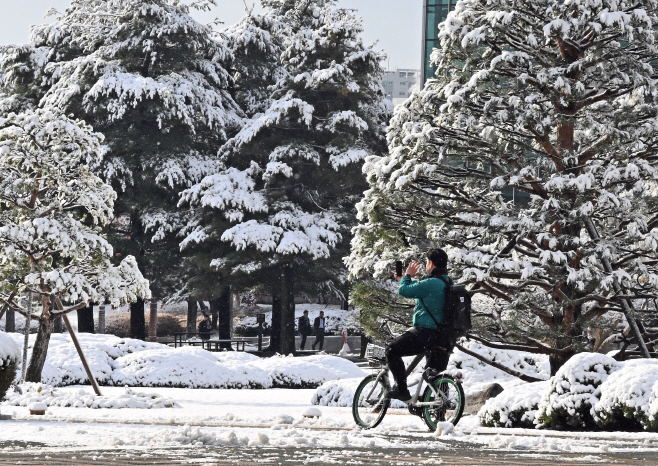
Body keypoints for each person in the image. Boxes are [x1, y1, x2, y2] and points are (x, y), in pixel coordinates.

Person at [387, 248, 453, 401]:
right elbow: (422, 292)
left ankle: (401, 390)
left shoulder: (431, 283)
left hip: (426, 334)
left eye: (426, 262)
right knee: (434, 374)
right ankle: (440, 413)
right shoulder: (446, 282)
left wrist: (408, 275)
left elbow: (404, 291)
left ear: (431, 263)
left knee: (392, 350)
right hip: (444, 336)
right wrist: (404, 279)